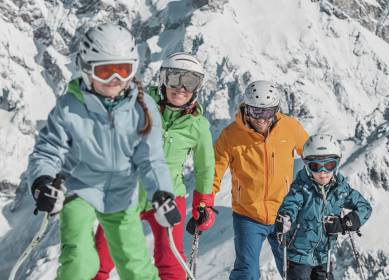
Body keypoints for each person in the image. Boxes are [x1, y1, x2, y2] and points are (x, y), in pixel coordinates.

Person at [26, 23, 180, 280]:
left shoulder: (142, 108)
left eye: (122, 70)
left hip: (122, 191)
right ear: (86, 68)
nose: (114, 80)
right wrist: (42, 181)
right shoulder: (69, 107)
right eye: (105, 71)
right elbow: (49, 150)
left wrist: (162, 193)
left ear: (133, 68)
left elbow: (151, 159)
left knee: (134, 264)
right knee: (79, 261)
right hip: (79, 188)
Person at [93, 52, 216, 280]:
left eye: (190, 82)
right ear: (162, 80)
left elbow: (205, 168)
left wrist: (204, 205)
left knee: (171, 261)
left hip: (170, 197)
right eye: (174, 79)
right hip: (128, 192)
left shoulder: (198, 126)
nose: (181, 88)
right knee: (100, 255)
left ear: (197, 87)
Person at [212, 80, 309, 280]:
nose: (262, 118)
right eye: (257, 112)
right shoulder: (231, 136)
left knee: (294, 270)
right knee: (247, 272)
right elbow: (214, 170)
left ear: (276, 109)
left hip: (285, 213)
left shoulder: (289, 128)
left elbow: (312, 155)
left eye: (268, 112)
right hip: (248, 215)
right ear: (247, 108)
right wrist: (204, 201)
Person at [275, 134, 373, 280]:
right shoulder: (301, 188)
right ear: (307, 166)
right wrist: (286, 218)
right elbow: (291, 204)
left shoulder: (340, 189)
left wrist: (343, 224)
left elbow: (364, 207)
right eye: (315, 166)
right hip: (299, 256)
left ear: (337, 164)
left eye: (329, 165)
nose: (323, 172)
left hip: (324, 255)